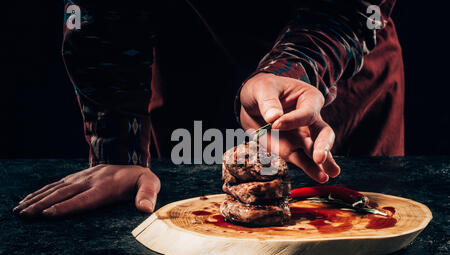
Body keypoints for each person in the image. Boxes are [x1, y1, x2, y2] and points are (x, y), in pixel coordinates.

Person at [13, 0, 403, 217]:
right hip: (188, 53)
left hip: (333, 76)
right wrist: (118, 150)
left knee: (358, 229)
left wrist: (293, 70)